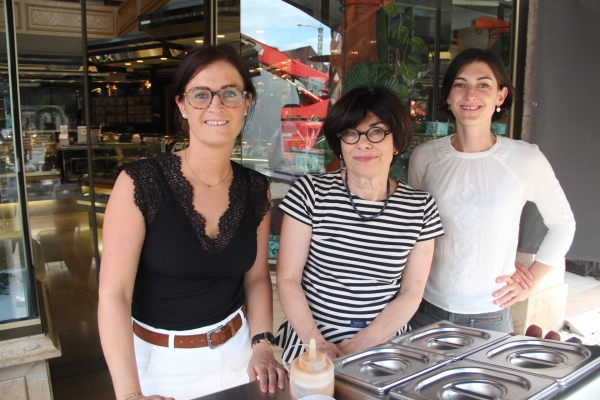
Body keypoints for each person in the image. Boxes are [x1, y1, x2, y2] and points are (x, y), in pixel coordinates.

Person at [98, 44, 285, 400]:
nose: (216, 106)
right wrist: (129, 394)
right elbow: (114, 295)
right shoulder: (140, 183)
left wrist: (262, 345)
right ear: (183, 105)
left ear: (246, 103)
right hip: (159, 364)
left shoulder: (255, 187)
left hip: (239, 354)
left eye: (229, 93)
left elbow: (258, 277)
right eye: (201, 94)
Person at [408, 48, 576, 333]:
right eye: (460, 84)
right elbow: (411, 230)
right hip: (424, 311)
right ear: (448, 96)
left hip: (489, 316)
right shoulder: (425, 157)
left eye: (483, 84)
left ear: (501, 95)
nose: (470, 94)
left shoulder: (525, 159)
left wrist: (530, 282)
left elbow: (563, 225)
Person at [275, 85, 444, 362]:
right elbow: (288, 278)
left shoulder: (421, 207)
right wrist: (318, 344)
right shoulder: (310, 192)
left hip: (383, 342)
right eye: (351, 133)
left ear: (397, 142)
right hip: (309, 340)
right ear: (340, 144)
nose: (363, 144)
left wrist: (361, 345)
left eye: (377, 132)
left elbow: (411, 292)